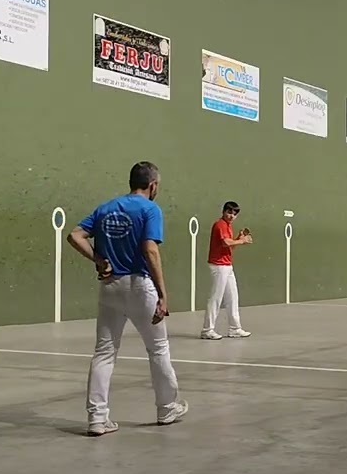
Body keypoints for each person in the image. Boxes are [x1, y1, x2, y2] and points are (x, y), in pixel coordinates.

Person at [67, 161, 189, 436]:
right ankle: (167, 408)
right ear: (153, 184)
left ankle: (97, 419)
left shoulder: (106, 208)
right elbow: (150, 250)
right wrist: (163, 293)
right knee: (158, 349)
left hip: (110, 286)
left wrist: (98, 259)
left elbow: (75, 235)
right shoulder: (150, 209)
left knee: (104, 353)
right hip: (140, 285)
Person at [201, 201, 253, 340]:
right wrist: (242, 241)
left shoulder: (228, 226)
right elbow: (225, 242)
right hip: (218, 266)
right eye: (229, 212)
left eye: (234, 214)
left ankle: (235, 328)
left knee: (232, 298)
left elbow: (229, 246)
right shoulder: (220, 225)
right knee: (215, 298)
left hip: (227, 266)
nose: (231, 216)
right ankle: (207, 330)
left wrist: (238, 239)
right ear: (223, 212)